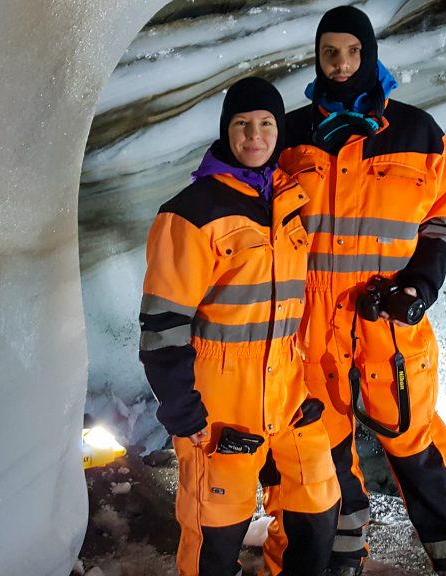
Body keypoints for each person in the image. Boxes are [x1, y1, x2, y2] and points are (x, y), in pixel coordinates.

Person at [277, 6, 446, 576]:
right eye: (331, 52)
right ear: (318, 58)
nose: (342, 63)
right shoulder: (290, 135)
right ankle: (333, 562)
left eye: (352, 52)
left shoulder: (418, 132)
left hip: (388, 323)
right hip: (307, 326)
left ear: (369, 55)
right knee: (315, 457)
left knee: (417, 451)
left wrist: (419, 286)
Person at [139, 76, 340, 576]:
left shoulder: (291, 203)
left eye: (267, 124)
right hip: (219, 407)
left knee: (316, 520)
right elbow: (162, 326)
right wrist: (184, 412)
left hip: (290, 398)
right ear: (227, 131)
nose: (255, 135)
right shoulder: (189, 213)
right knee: (214, 543)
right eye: (243, 124)